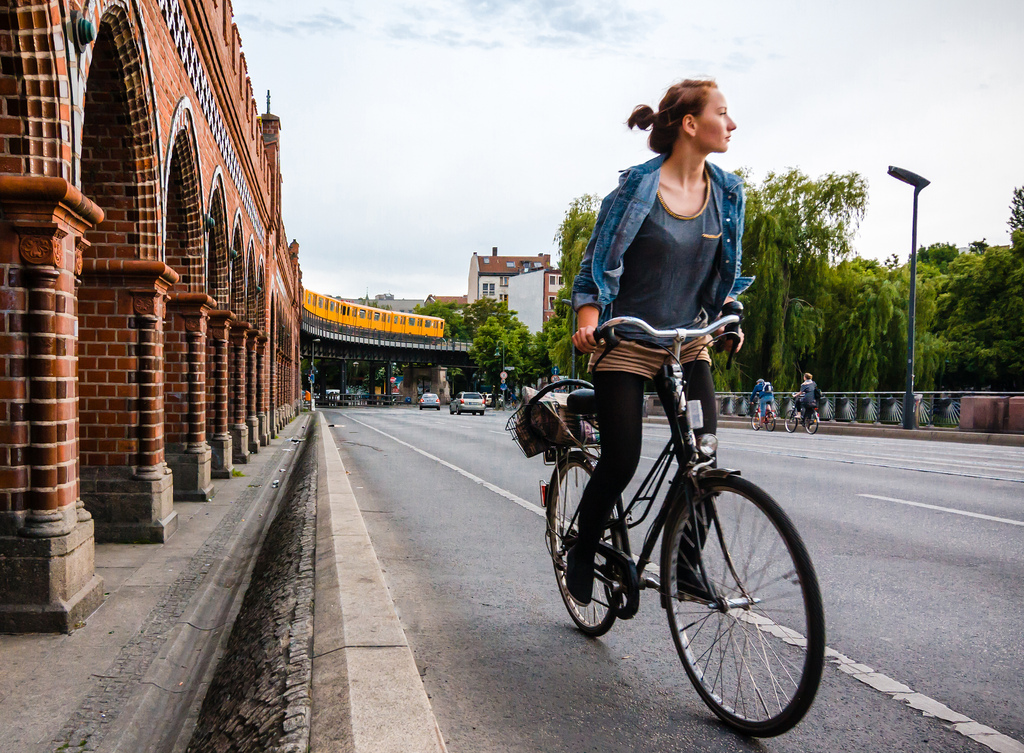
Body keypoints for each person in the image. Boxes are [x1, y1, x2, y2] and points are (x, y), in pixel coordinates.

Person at [567, 78, 753, 604]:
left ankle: (687, 563)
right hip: (627, 340)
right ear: (690, 124)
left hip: (687, 342)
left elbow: (726, 274)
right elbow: (596, 267)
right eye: (723, 112)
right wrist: (588, 320)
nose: (732, 123)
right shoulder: (635, 191)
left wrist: (730, 317)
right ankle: (583, 545)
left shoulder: (728, 193)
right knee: (622, 458)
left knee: (704, 452)